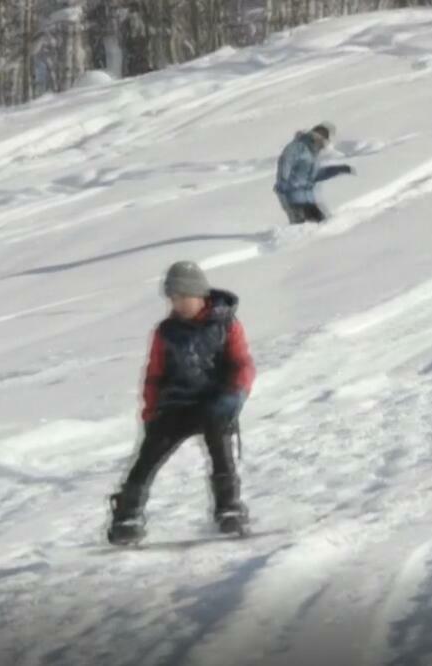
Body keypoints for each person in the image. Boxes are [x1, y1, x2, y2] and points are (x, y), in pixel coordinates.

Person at [107, 261, 256, 545]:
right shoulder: (166, 332)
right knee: (147, 459)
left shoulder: (225, 325)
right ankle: (128, 515)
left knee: (221, 452)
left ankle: (229, 510)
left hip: (215, 403)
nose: (176, 304)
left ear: (197, 295)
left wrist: (234, 396)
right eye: (172, 299)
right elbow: (154, 375)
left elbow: (242, 365)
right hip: (175, 406)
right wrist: (151, 414)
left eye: (180, 297)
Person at [273, 121, 355, 224]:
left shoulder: (312, 154)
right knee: (304, 231)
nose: (323, 146)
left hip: (308, 200)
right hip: (293, 199)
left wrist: (337, 169)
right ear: (316, 138)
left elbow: (315, 176)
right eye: (323, 142)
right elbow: (285, 163)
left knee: (323, 226)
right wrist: (283, 184)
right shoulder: (297, 147)